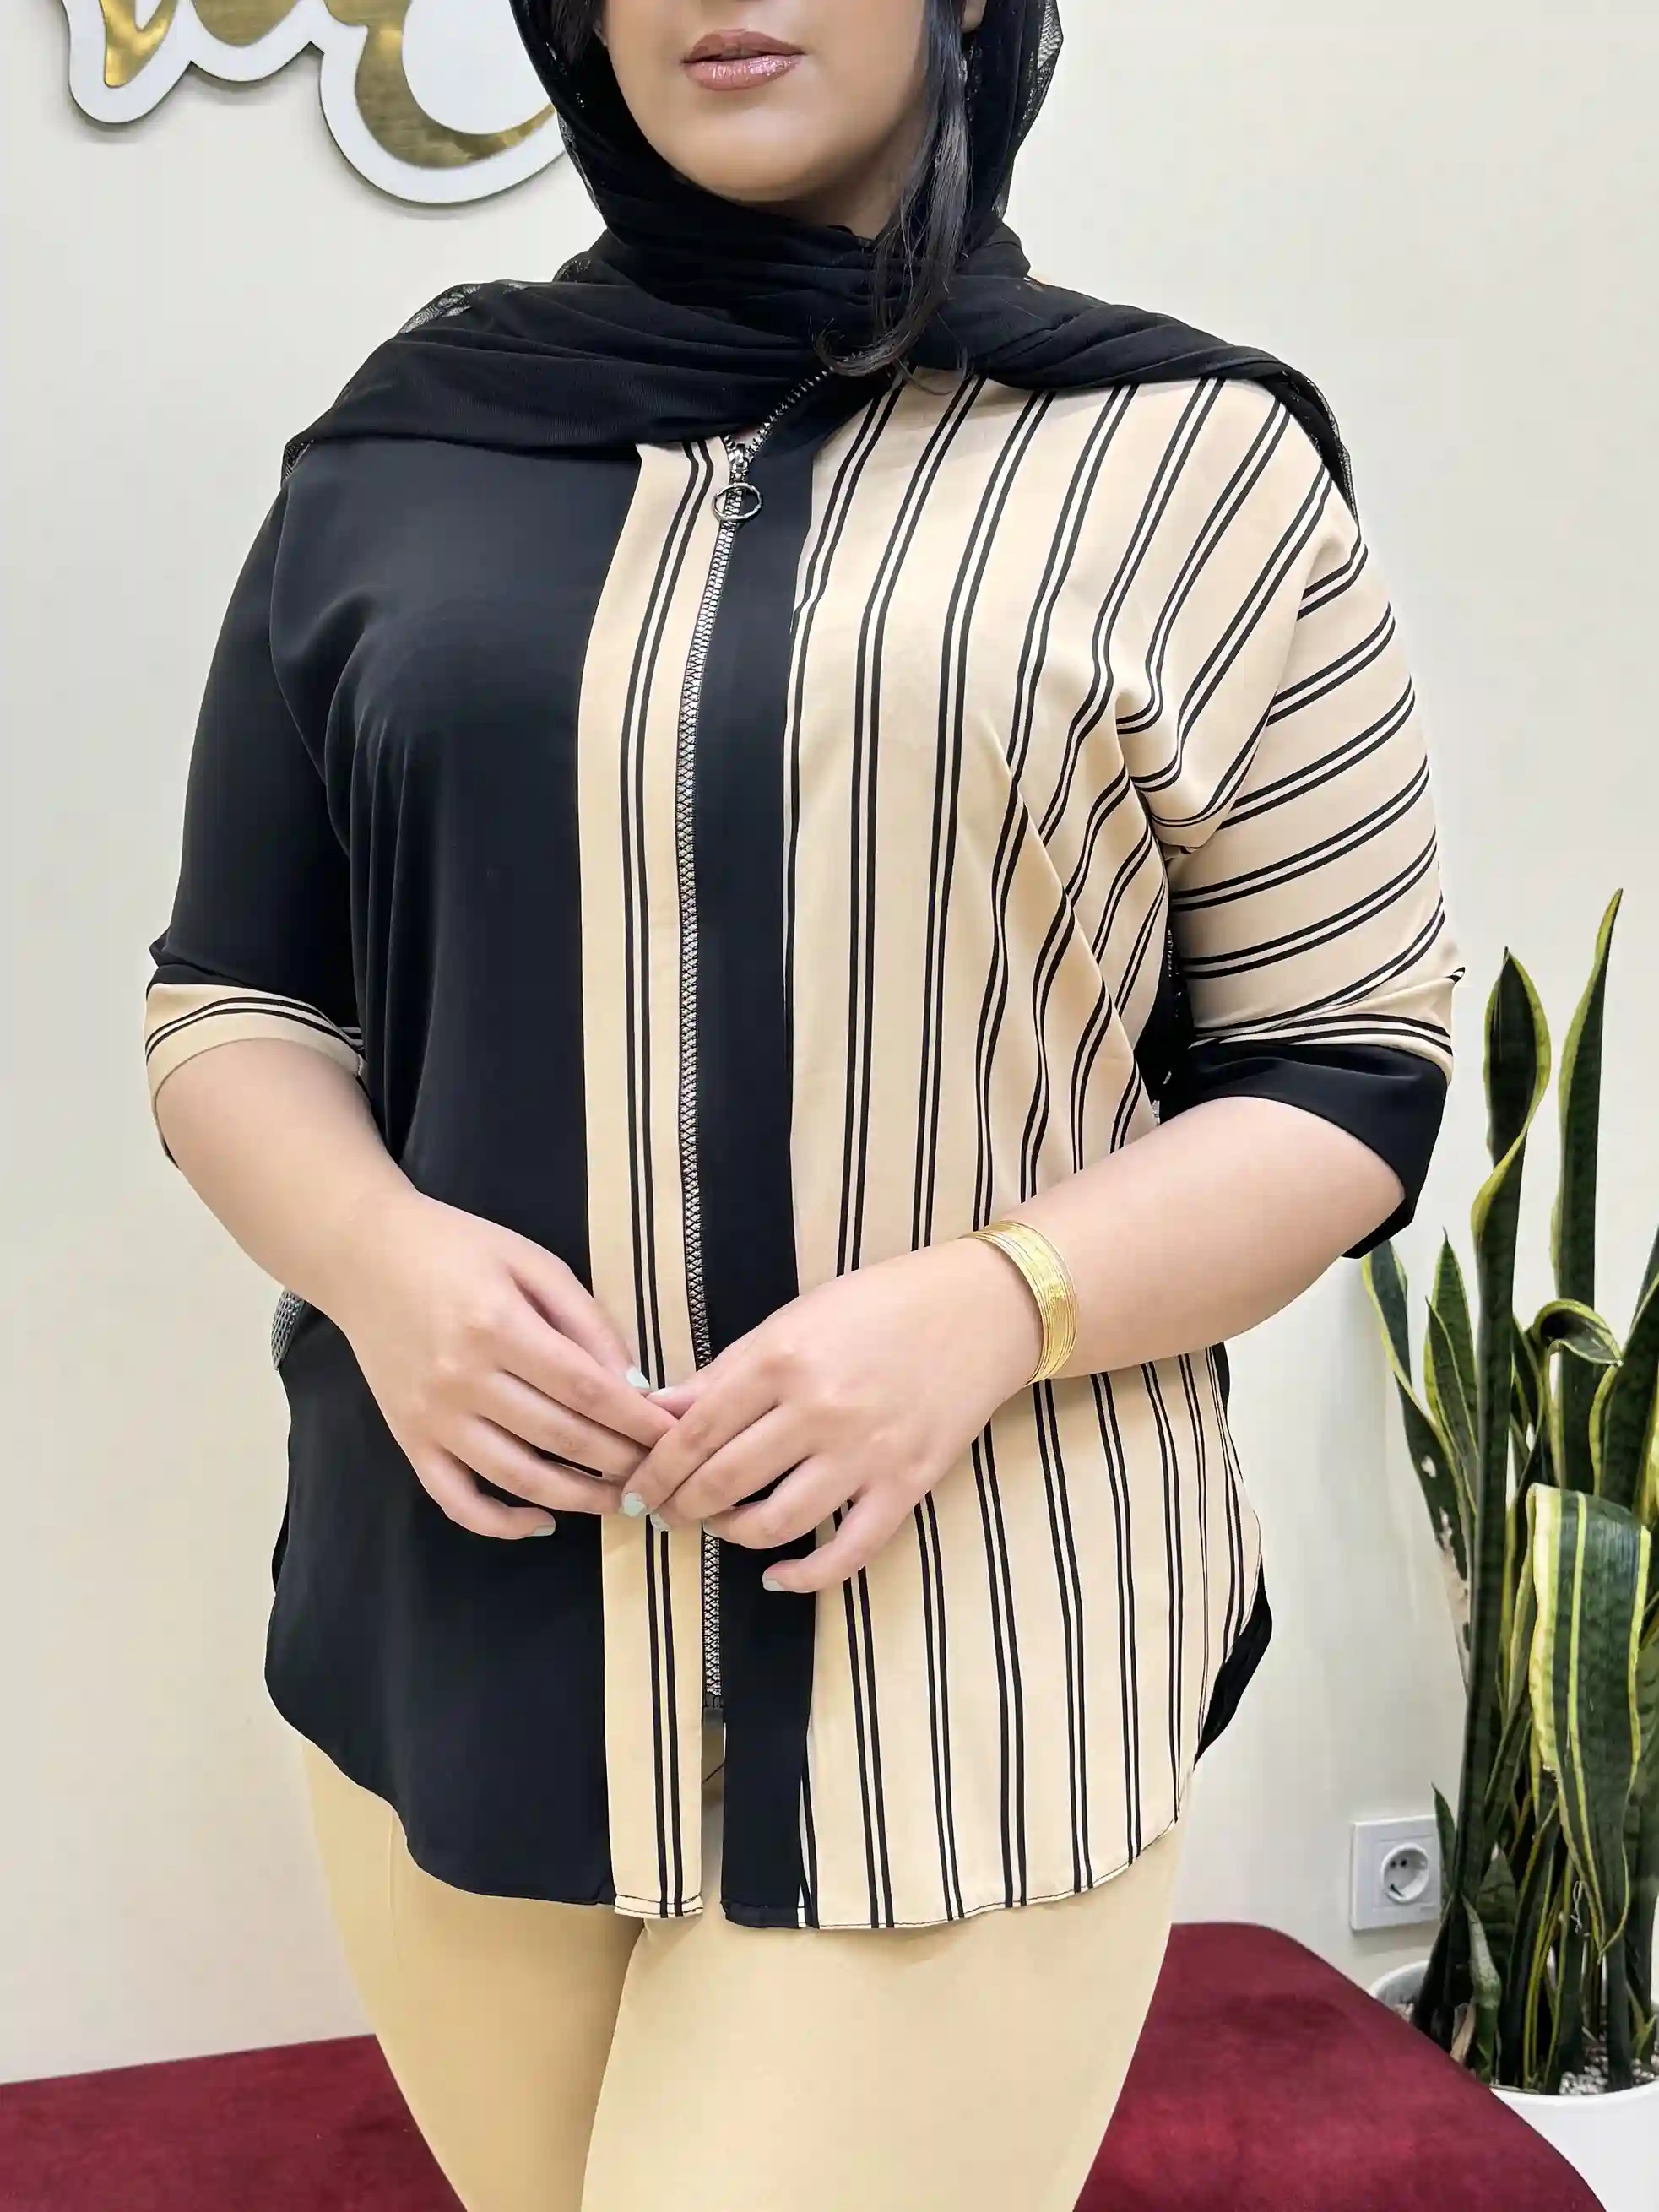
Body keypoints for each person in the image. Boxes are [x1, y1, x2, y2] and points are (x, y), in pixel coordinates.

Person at [143, 3, 1462, 2207]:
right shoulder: (402, 453)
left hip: (967, 1652)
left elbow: (1346, 1065)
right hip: (460, 1632)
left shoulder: (1189, 467)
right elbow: (232, 1000)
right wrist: (379, 1262)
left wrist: (988, 1305)